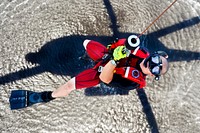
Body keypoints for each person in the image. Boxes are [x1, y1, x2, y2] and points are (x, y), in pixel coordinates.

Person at [9, 35, 169, 110]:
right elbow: (119, 44)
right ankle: (87, 56)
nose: (152, 64)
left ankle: (46, 97)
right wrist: (120, 48)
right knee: (85, 42)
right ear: (154, 55)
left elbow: (105, 78)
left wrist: (114, 60)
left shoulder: (133, 82)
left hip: (102, 72)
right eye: (155, 60)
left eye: (155, 68)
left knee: (69, 86)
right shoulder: (142, 51)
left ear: (152, 75)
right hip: (106, 56)